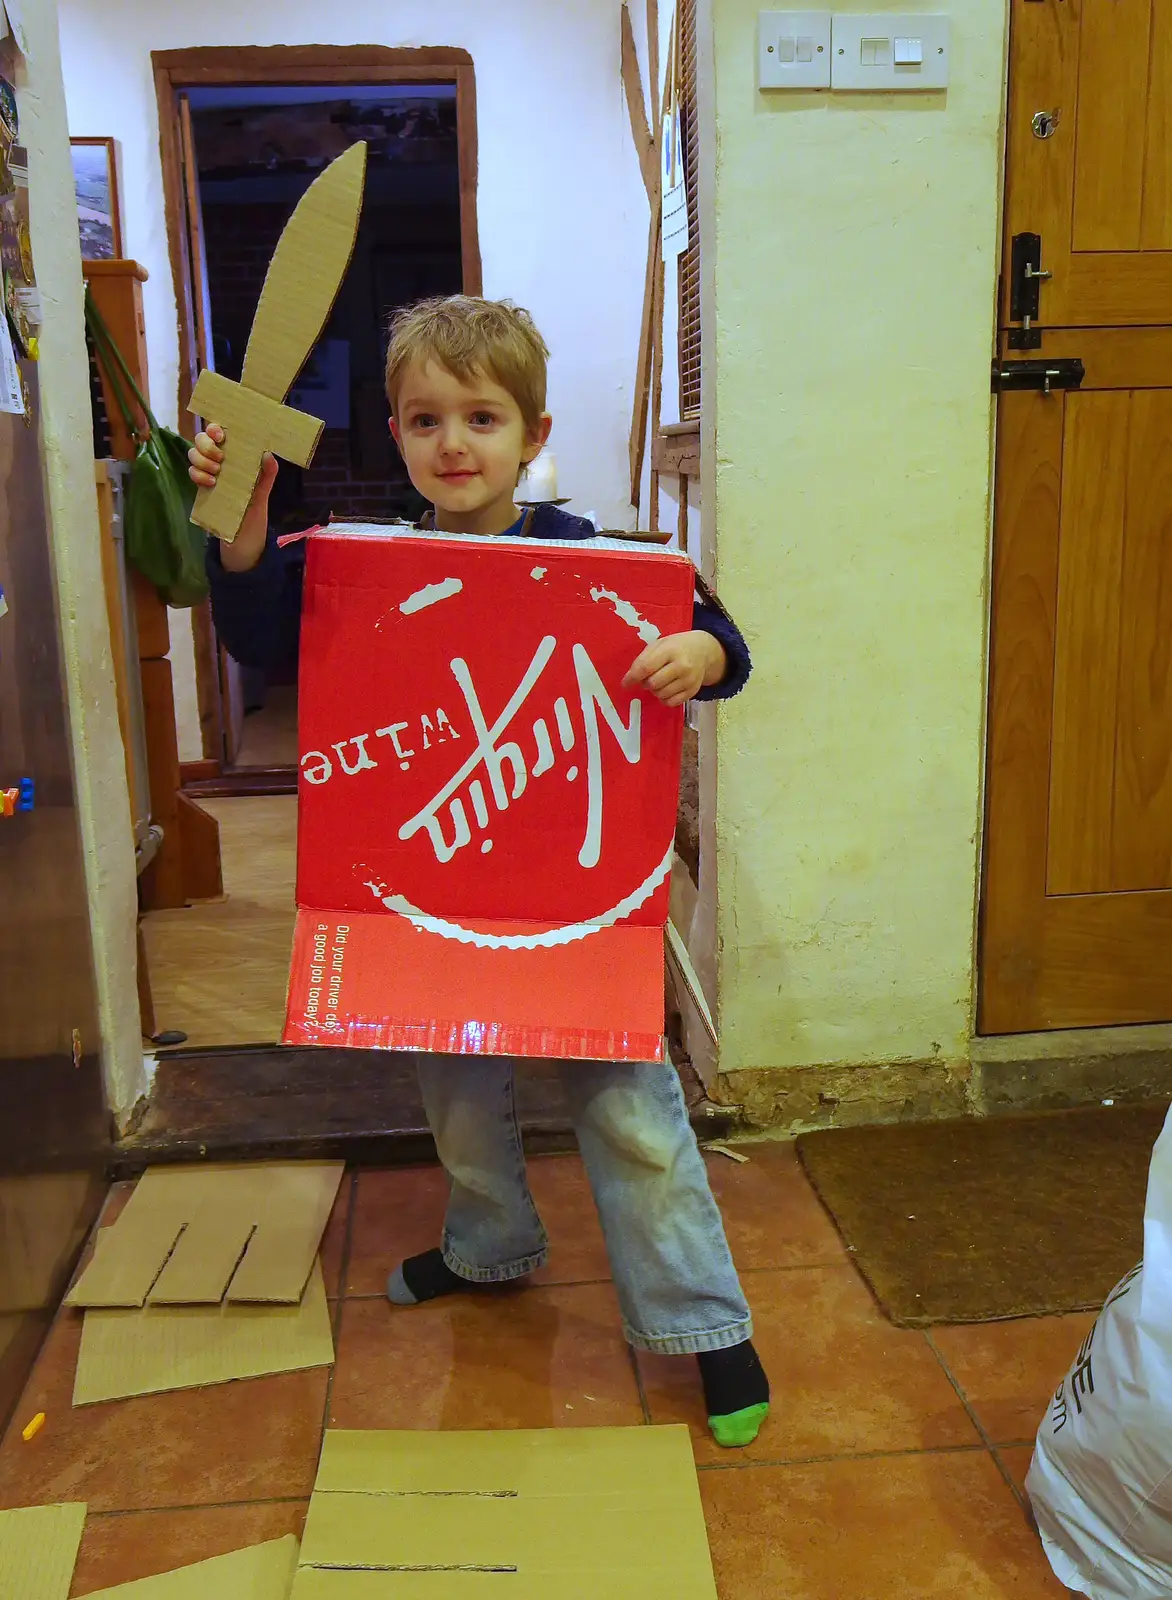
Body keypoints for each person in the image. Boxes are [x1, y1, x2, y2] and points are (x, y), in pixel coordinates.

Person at [189, 295, 769, 1448]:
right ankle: (488, 1246)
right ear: (394, 432)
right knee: (453, 1094)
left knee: (629, 1110)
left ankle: (705, 1325)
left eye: (481, 417)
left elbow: (724, 647)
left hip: (571, 910)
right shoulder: (362, 565)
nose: (453, 443)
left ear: (532, 433)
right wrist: (242, 527)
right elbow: (258, 630)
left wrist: (699, 650)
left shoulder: (586, 553)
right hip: (428, 901)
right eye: (423, 419)